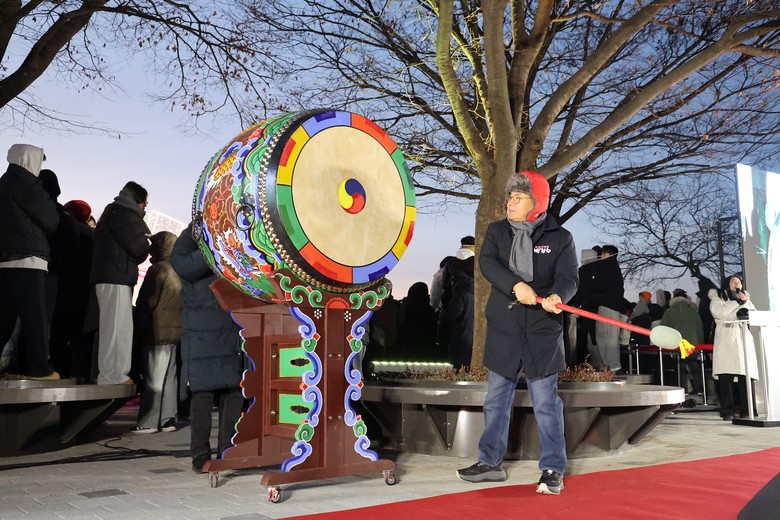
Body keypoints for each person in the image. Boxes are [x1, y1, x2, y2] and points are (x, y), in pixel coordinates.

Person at [457, 170, 578, 495]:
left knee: (546, 402)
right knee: (496, 399)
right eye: (510, 196)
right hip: (505, 326)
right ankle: (490, 463)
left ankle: (553, 468)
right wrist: (516, 285)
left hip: (542, 328)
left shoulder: (560, 237)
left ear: (537, 203)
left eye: (519, 197)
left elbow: (569, 277)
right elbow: (488, 263)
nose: (509, 202)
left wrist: (558, 296)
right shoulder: (497, 231)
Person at [170, 222, 245, 472]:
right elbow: (183, 266)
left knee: (233, 389)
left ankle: (228, 451)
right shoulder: (192, 235)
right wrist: (215, 246)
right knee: (202, 391)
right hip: (201, 325)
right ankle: (200, 454)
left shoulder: (235, 230)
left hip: (231, 320)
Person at [0, 144, 60, 380]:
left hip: (5, 259)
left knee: (4, 317)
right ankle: (39, 367)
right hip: (28, 258)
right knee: (35, 316)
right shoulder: (27, 184)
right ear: (29, 160)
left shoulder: (4, 182)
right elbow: (51, 219)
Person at [90, 181, 151, 385]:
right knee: (118, 328)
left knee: (110, 327)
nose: (145, 206)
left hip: (108, 276)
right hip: (116, 278)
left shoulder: (114, 214)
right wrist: (148, 244)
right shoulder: (127, 216)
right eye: (145, 202)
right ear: (137, 200)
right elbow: (139, 249)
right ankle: (114, 375)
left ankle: (109, 374)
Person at [132, 231, 182, 433]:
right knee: (170, 377)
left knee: (153, 378)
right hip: (176, 331)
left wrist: (138, 326)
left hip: (157, 331)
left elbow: (148, 301)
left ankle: (149, 421)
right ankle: (168, 419)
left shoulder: (159, 269)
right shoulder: (180, 269)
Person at [709, 275, 758, 421]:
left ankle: (748, 410)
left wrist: (743, 302)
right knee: (726, 375)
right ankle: (727, 411)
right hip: (726, 338)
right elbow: (718, 313)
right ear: (727, 284)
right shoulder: (718, 298)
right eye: (733, 281)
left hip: (743, 338)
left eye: (739, 282)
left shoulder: (746, 298)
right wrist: (736, 302)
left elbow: (753, 314)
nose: (737, 283)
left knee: (746, 374)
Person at [63, 199, 96, 382]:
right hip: (87, 288)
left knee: (62, 329)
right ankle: (80, 371)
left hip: (67, 285)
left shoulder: (68, 229)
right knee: (81, 333)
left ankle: (63, 369)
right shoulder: (93, 235)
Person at [660, 288, 704, 395]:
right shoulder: (693, 312)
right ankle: (699, 390)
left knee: (680, 368)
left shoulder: (669, 312)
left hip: (676, 343)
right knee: (694, 367)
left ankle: (682, 390)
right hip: (692, 343)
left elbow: (663, 328)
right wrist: (700, 346)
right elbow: (699, 330)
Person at [397, 281, 440, 361]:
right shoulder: (429, 311)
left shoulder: (405, 309)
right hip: (425, 348)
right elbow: (433, 330)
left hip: (407, 346)